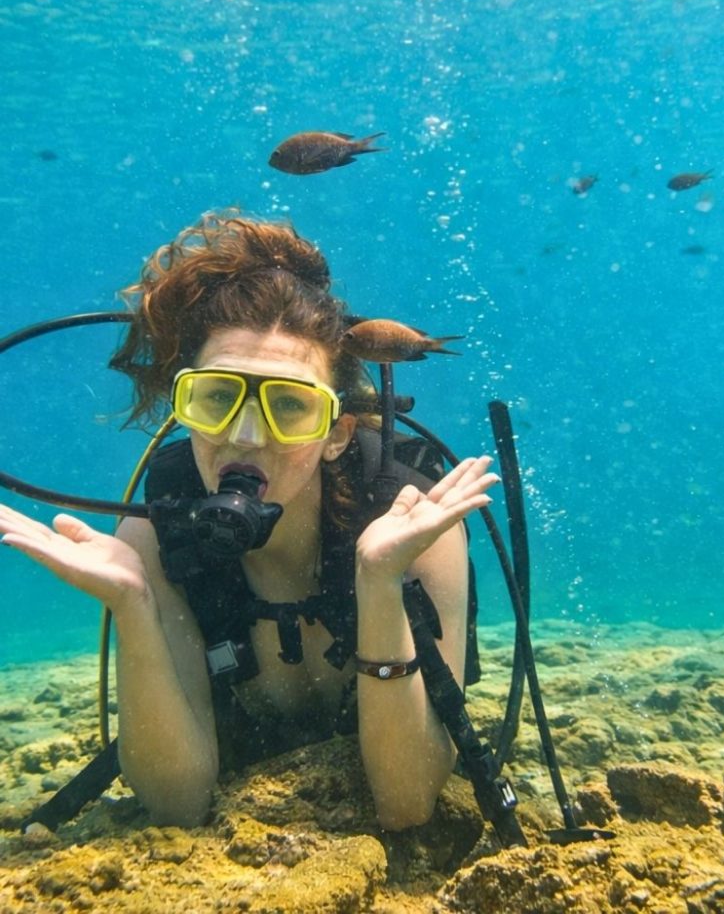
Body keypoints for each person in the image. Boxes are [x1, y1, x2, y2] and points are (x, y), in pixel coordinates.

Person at [0, 211, 498, 831]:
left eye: (289, 406)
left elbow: (407, 803)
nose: (243, 435)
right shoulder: (157, 540)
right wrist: (133, 606)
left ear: (338, 434)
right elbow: (178, 806)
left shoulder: (410, 526)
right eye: (216, 397)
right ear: (186, 407)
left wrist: (378, 580)